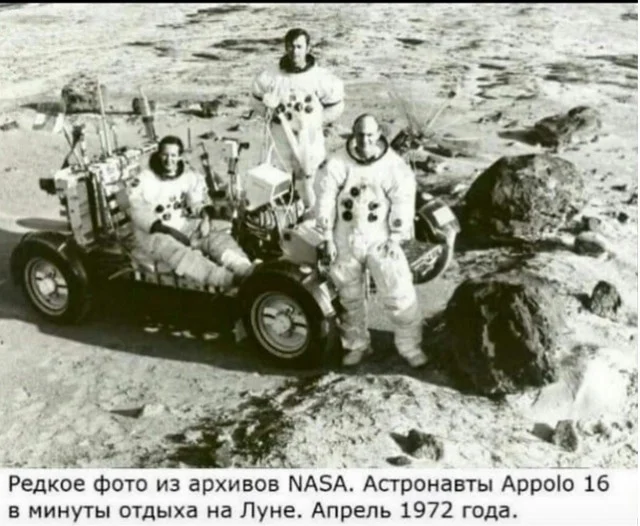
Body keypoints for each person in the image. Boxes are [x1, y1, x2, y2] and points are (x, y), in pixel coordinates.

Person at [315, 114, 427, 368]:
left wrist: (396, 237)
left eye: (369, 135)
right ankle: (357, 345)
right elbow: (324, 200)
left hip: (380, 238)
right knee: (349, 299)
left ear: (378, 135)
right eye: (360, 134)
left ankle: (409, 346)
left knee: (398, 293)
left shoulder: (393, 166)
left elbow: (403, 201)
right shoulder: (336, 163)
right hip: (345, 238)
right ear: (353, 135)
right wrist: (327, 237)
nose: (364, 140)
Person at [128, 135, 255, 290]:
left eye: (173, 155)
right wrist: (168, 231)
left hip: (182, 224)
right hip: (153, 233)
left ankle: (243, 268)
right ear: (158, 154)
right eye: (165, 155)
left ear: (179, 156)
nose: (169, 160)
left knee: (216, 236)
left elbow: (196, 201)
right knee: (179, 253)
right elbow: (137, 210)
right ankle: (225, 279)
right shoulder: (144, 179)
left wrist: (205, 219)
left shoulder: (187, 175)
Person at [251, 27, 344, 213]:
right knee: (280, 173)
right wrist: (272, 116)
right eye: (291, 46)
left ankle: (312, 214)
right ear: (285, 47)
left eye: (299, 47)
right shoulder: (271, 77)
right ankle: (285, 216)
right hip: (280, 135)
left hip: (309, 137)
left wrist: (315, 122)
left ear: (308, 48)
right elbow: (255, 101)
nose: (295, 51)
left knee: (312, 175)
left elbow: (336, 106)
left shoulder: (321, 78)